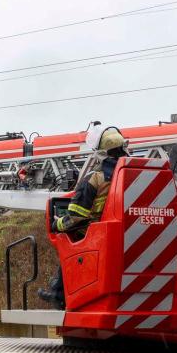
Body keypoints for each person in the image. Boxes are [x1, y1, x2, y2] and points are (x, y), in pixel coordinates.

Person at [38, 123, 129, 309]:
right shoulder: (136, 173)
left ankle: (58, 293)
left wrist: (57, 225)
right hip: (132, 233)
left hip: (100, 236)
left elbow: (76, 218)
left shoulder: (94, 179)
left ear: (100, 152)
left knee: (66, 238)